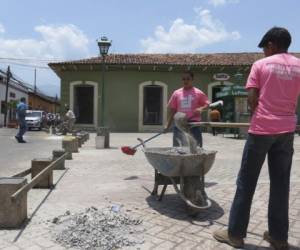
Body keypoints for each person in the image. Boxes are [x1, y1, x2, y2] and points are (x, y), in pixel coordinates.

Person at [213, 27, 300, 249]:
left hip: (261, 130)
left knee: (246, 182)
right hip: (287, 131)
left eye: (264, 48)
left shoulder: (260, 65)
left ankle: (235, 234)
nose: (263, 52)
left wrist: (259, 114)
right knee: (281, 184)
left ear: (271, 45)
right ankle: (279, 238)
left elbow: (252, 98)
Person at [164, 70, 210, 147]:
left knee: (196, 150)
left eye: (188, 79)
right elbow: (173, 110)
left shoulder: (198, 93)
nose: (185, 81)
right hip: (179, 125)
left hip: (194, 126)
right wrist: (167, 125)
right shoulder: (176, 93)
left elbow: (208, 104)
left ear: (192, 80)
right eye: (183, 79)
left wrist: (201, 108)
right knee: (177, 150)